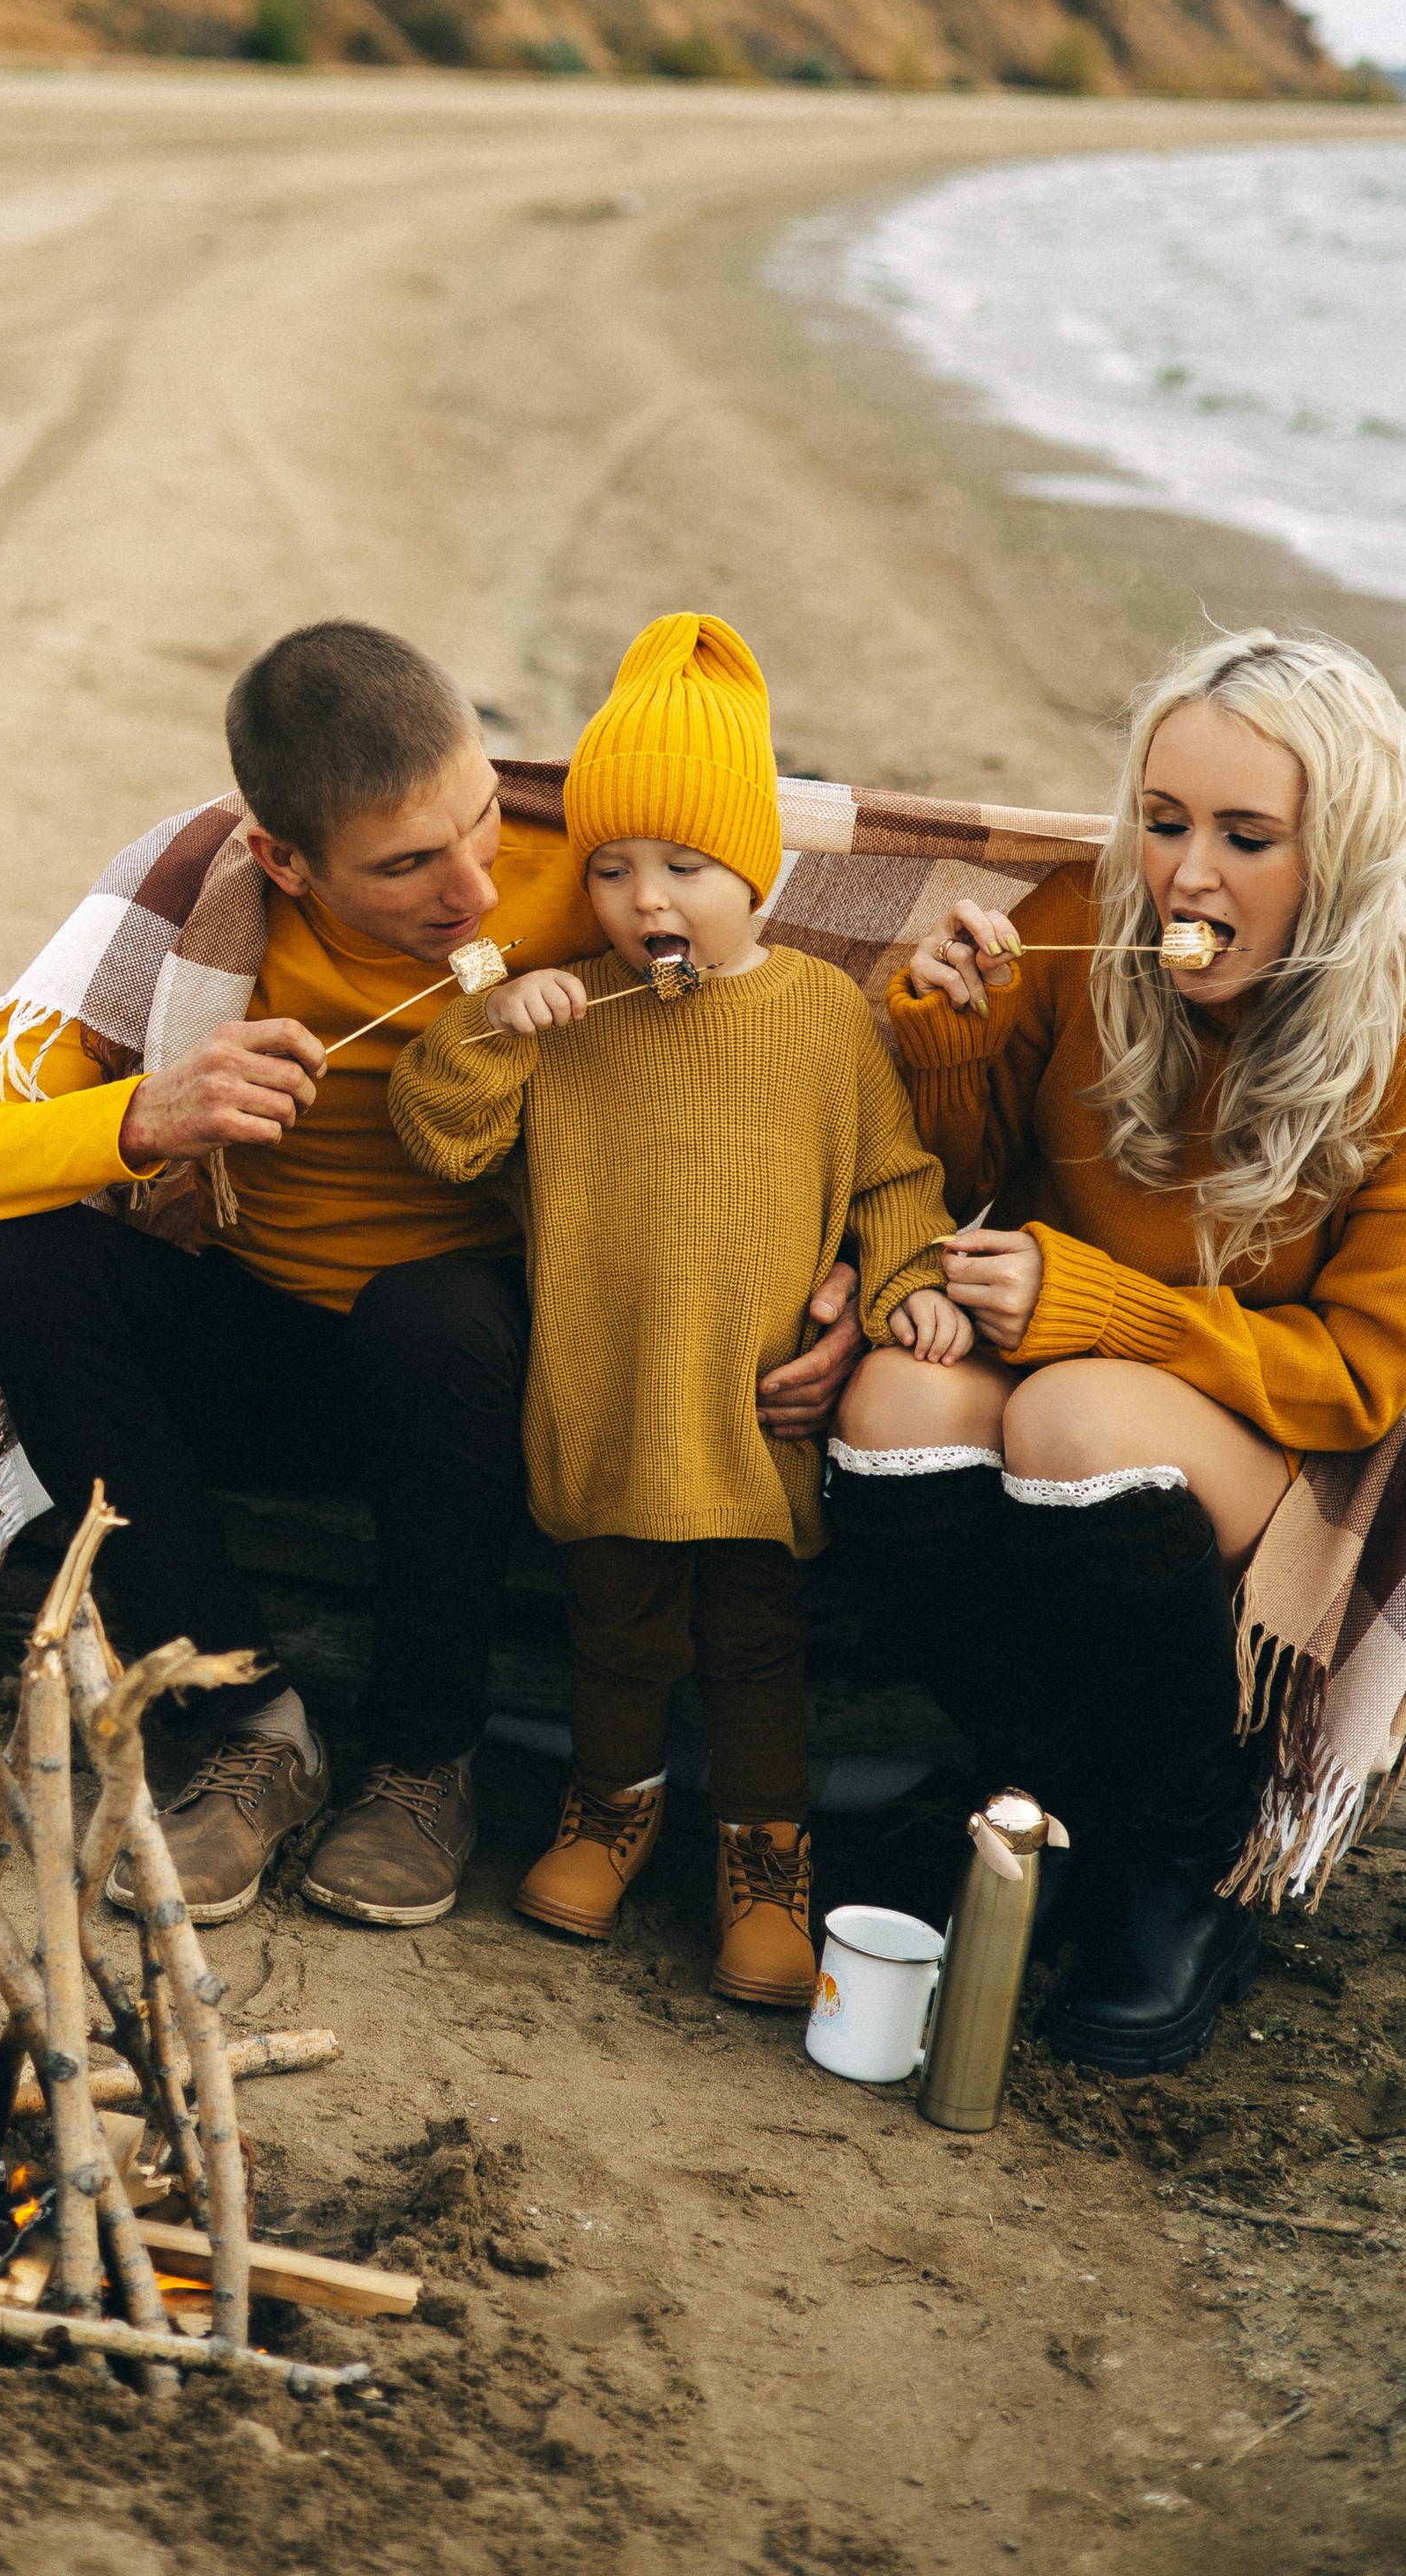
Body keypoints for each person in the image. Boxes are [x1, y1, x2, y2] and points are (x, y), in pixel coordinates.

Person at [0, 620, 862, 1930]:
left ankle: (421, 1763)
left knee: (436, 1307)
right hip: (268, 1360)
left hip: (497, 1384)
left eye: (475, 828)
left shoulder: (605, 870)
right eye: (406, 866)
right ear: (284, 859)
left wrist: (838, 1265)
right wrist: (144, 1117)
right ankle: (250, 1724)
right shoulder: (197, 903)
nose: (470, 891)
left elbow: (794, 1043)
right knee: (25, 1264)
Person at [828, 627, 1406, 2073]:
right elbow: (968, 1181)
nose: (1186, 876)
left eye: (1248, 838)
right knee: (892, 1398)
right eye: (1164, 821)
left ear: (1344, 853)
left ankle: (1182, 1860)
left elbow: (1361, 1378)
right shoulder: (1078, 924)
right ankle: (1038, 1798)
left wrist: (1109, 1314)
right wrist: (944, 1038)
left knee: (1075, 1419)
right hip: (1060, 1366)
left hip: (1262, 1451)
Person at [389, 615, 968, 2008]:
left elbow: (894, 1178)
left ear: (755, 874)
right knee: (619, 1628)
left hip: (753, 1418)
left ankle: (764, 1866)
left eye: (687, 868)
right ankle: (609, 1812)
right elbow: (439, 1137)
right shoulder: (565, 1015)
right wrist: (483, 1024)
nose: (649, 900)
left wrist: (908, 1292)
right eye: (612, 869)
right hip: (605, 1403)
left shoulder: (826, 1016)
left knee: (758, 1650)